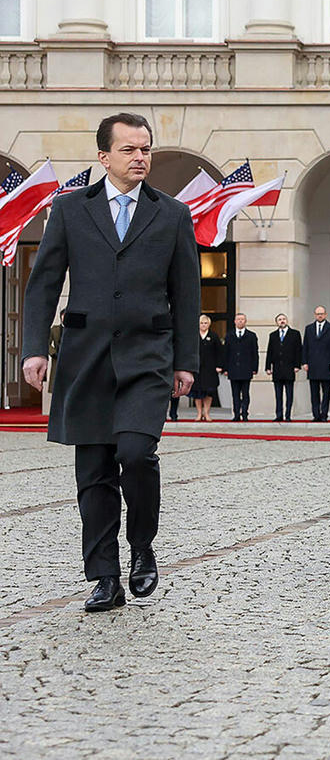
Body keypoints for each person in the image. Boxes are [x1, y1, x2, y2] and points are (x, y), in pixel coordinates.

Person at [21, 112, 200, 612]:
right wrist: (35, 348)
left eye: (146, 149)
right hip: (85, 358)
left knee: (136, 454)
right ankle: (104, 576)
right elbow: (44, 284)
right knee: (94, 472)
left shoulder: (172, 215)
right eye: (129, 150)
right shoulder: (70, 210)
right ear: (104, 156)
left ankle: (142, 546)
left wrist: (186, 361)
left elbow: (186, 295)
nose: (140, 157)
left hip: (148, 356)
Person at [303, 306, 330, 423]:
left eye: (322, 313)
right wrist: (304, 362)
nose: (320, 315)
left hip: (326, 365)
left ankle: (324, 414)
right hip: (313, 365)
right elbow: (305, 346)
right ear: (315, 315)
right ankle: (316, 415)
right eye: (318, 314)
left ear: (325, 314)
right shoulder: (309, 328)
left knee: (326, 393)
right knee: (314, 393)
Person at [265, 313, 302, 422]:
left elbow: (298, 350)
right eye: (280, 319)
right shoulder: (273, 335)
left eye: (284, 319)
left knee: (289, 394)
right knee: (278, 394)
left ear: (287, 320)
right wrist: (268, 367)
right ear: (276, 322)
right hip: (277, 369)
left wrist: (297, 365)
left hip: (289, 368)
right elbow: (270, 352)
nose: (282, 321)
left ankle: (288, 415)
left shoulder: (295, 334)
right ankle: (279, 415)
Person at [222, 312, 258, 421]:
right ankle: (236, 414)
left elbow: (254, 353)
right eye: (238, 319)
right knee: (235, 394)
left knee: (245, 393)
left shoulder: (251, 336)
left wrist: (254, 368)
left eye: (242, 319)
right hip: (233, 369)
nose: (240, 321)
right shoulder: (229, 335)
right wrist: (225, 368)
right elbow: (226, 353)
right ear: (235, 321)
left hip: (246, 369)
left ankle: (245, 413)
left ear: (245, 321)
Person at [193, 314, 221, 423]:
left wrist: (219, 366)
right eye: (201, 323)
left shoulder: (214, 336)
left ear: (209, 324)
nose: (203, 325)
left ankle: (207, 413)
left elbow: (219, 352)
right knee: (198, 392)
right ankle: (199, 413)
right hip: (197, 368)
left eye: (205, 323)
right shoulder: (194, 336)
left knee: (208, 392)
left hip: (210, 368)